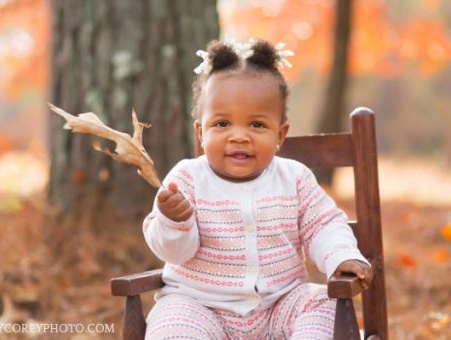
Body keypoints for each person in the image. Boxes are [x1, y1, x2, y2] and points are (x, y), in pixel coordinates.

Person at [142, 39, 373, 339]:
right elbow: (173, 252)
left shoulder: (295, 178)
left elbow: (324, 225)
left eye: (257, 125)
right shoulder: (187, 178)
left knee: (322, 305)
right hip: (200, 306)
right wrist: (174, 221)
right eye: (222, 123)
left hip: (280, 305)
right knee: (172, 321)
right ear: (201, 133)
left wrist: (342, 257)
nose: (239, 137)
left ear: (281, 133)